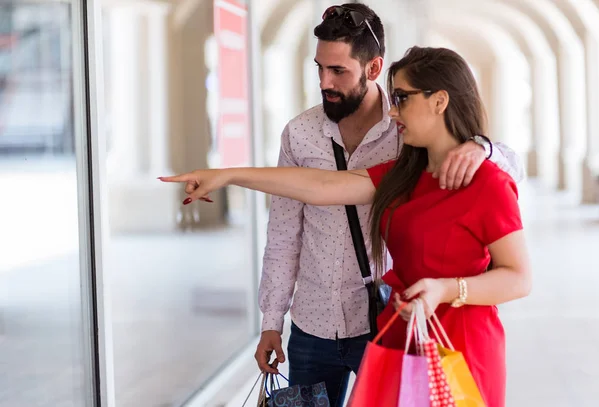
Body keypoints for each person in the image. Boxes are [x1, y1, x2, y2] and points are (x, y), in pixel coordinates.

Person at [160, 45, 530, 406]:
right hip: (398, 336)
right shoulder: (405, 174)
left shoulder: (486, 183)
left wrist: (444, 290)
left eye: (402, 98)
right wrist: (226, 176)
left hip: (459, 343)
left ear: (439, 101)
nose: (393, 111)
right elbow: (320, 186)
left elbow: (519, 278)